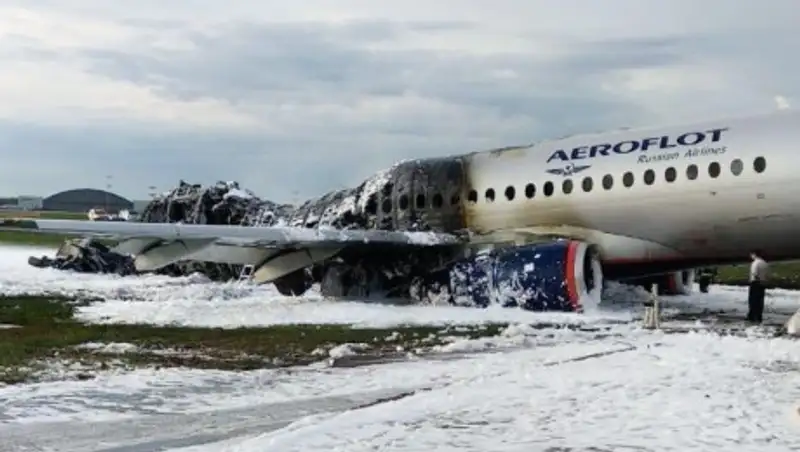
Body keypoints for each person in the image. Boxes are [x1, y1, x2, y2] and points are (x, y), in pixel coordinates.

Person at [747, 250, 769, 323]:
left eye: (751, 255)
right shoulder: (765, 263)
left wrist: (756, 280)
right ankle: (759, 316)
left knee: (753, 300)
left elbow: (754, 273)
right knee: (760, 300)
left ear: (754, 255)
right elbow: (767, 274)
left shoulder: (755, 263)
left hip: (755, 283)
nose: (751, 256)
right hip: (763, 283)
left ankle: (752, 316)